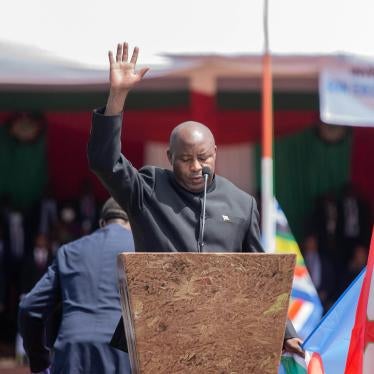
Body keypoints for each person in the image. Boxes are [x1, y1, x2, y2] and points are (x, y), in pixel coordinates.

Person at [87, 42, 304, 357]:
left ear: (215, 153)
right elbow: (104, 161)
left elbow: (258, 277)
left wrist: (285, 332)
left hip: (222, 333)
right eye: (185, 159)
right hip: (158, 332)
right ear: (169, 157)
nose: (195, 167)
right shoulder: (147, 189)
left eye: (203, 157)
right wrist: (117, 96)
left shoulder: (242, 203)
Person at [18, 198, 134, 374]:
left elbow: (28, 308)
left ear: (102, 223)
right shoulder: (142, 251)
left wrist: (40, 361)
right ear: (131, 221)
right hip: (121, 356)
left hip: (72, 355)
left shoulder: (69, 251)